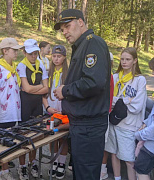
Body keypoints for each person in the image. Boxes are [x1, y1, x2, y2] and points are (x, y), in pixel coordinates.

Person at [53, 9, 111, 180]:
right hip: (82, 124)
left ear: (80, 22)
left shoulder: (93, 43)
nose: (64, 32)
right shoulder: (81, 45)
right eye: (62, 29)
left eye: (67, 26)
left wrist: (65, 90)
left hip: (89, 126)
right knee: (80, 172)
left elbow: (94, 82)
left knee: (86, 174)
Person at [105, 47, 147, 180]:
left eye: (128, 59)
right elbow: (109, 101)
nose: (124, 62)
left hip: (129, 125)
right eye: (122, 59)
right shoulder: (115, 77)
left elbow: (137, 106)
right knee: (114, 153)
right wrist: (126, 100)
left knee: (129, 160)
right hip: (113, 121)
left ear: (135, 61)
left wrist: (121, 102)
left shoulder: (139, 80)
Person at [0, 37, 23, 180]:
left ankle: (6, 171)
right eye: (14, 50)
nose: (17, 53)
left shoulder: (14, 67)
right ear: (5, 51)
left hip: (14, 112)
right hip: (1, 113)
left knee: (8, 142)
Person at [16, 39, 49, 180]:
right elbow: (26, 88)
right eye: (30, 54)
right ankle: (22, 166)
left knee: (36, 135)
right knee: (24, 135)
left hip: (37, 104)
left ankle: (32, 163)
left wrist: (32, 89)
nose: (34, 56)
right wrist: (39, 88)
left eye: (35, 53)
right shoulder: (22, 65)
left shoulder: (41, 63)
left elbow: (46, 88)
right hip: (25, 104)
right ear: (24, 52)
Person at [42, 45, 69, 179]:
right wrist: (47, 108)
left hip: (64, 112)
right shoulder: (48, 73)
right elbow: (43, 93)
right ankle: (54, 161)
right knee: (52, 137)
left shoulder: (69, 74)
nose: (56, 59)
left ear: (64, 57)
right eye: (54, 56)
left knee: (63, 138)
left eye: (59, 56)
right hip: (51, 111)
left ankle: (62, 163)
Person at [101, 52, 115, 180]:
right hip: (100, 113)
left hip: (103, 113)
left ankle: (102, 170)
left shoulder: (109, 76)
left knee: (103, 144)